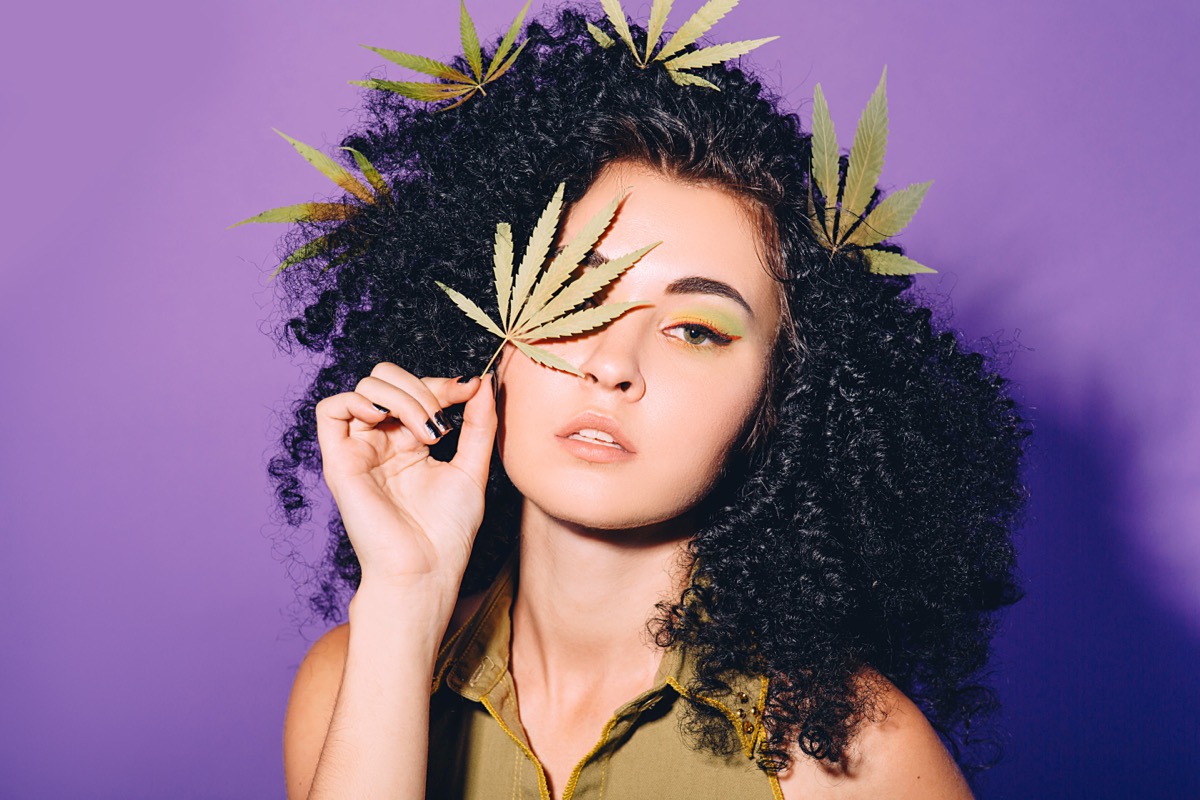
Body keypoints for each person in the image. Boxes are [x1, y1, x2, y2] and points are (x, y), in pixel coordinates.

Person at [258, 5, 1029, 799]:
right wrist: (405, 600)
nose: (610, 363)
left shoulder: (850, 760)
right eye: (574, 294)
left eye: (696, 330)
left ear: (781, 405)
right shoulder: (358, 677)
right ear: (491, 329)